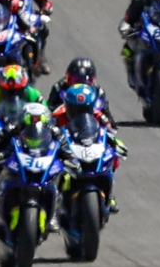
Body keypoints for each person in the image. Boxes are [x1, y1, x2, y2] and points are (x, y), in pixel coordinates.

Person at [0, 103, 58, 234]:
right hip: (16, 161)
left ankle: (55, 211)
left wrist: (71, 157)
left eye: (38, 119)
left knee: (63, 174)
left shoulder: (52, 131)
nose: (35, 122)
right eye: (32, 118)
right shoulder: (13, 128)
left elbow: (64, 144)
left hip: (42, 162)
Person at [0, 64, 48, 195]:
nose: (13, 96)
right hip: (1, 129)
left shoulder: (34, 95)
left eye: (18, 91)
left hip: (28, 130)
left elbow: (46, 115)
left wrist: (49, 127)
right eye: (8, 92)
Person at [50, 82, 126, 212]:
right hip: (67, 148)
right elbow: (48, 132)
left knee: (113, 153)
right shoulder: (57, 115)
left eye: (84, 109)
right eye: (75, 109)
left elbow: (111, 130)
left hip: (89, 144)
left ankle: (110, 192)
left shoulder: (98, 115)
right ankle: (56, 197)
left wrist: (113, 140)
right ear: (67, 106)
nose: (79, 113)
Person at [45, 57, 113, 124]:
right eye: (74, 81)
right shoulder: (59, 88)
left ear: (92, 81)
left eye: (85, 82)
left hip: (90, 129)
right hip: (64, 128)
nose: (80, 87)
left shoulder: (99, 92)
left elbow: (107, 115)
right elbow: (49, 111)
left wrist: (111, 123)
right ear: (67, 78)